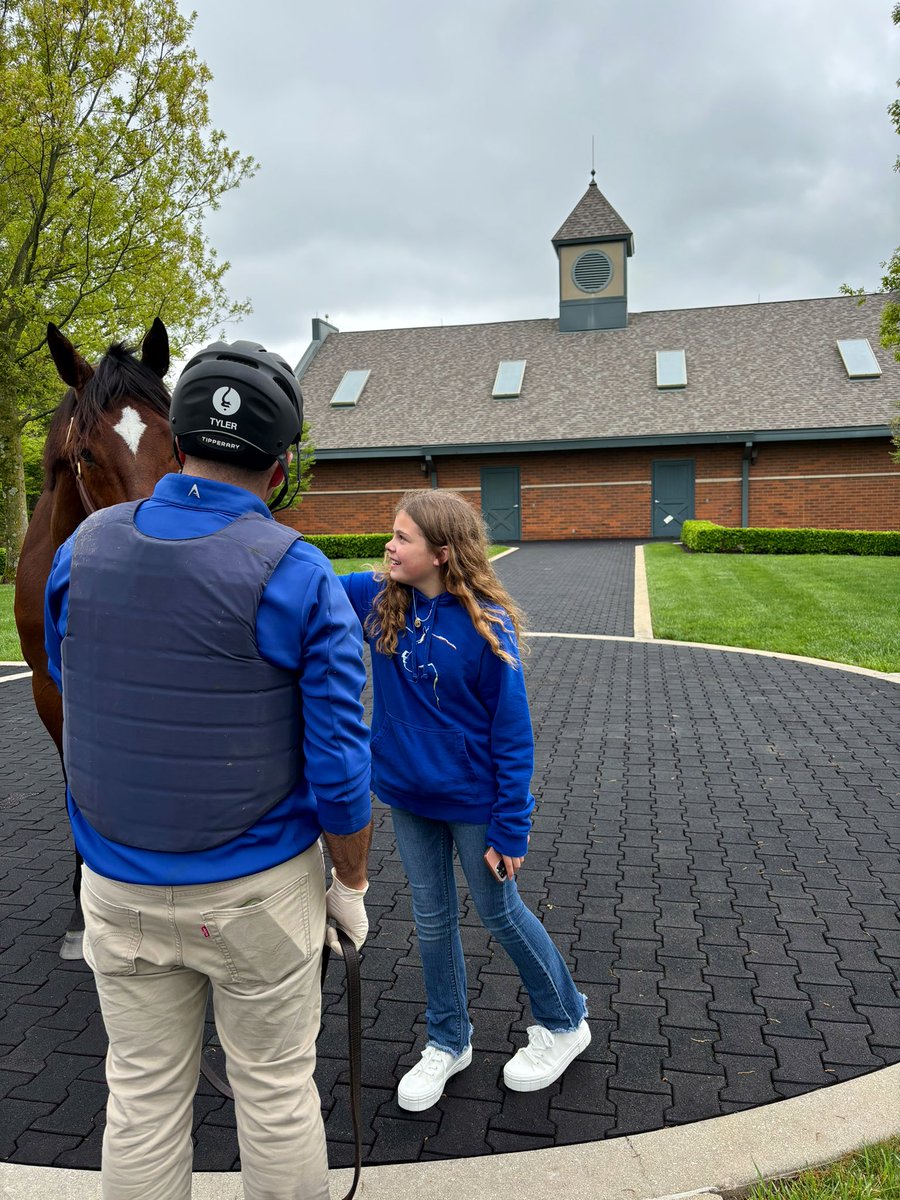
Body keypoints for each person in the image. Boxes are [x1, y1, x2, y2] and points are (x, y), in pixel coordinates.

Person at [44, 339, 373, 1200]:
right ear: (283, 464)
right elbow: (339, 765)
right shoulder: (298, 571)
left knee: (143, 1099)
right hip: (256, 891)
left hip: (116, 883)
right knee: (273, 1093)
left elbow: (69, 676)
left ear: (178, 437)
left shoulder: (83, 551)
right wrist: (351, 883)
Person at [339, 489, 589, 1112]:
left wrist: (513, 828)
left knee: (500, 913)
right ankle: (449, 1041)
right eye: (390, 534)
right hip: (409, 796)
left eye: (402, 539)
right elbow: (306, 577)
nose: (388, 547)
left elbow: (512, 734)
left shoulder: (486, 626)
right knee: (430, 921)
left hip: (476, 803)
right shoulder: (376, 600)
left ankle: (565, 1022)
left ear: (442, 553)